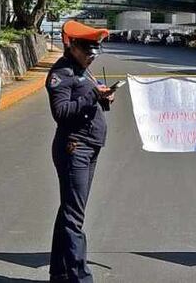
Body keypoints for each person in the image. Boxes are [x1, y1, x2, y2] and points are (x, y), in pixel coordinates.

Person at [46, 20, 115, 282]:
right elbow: (61, 113)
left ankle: (60, 272)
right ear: (72, 46)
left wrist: (104, 98)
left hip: (89, 146)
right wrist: (92, 97)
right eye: (87, 52)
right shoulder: (61, 74)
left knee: (69, 210)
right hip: (75, 147)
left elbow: (88, 101)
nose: (90, 57)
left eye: (94, 53)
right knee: (74, 216)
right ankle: (79, 277)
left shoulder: (83, 71)